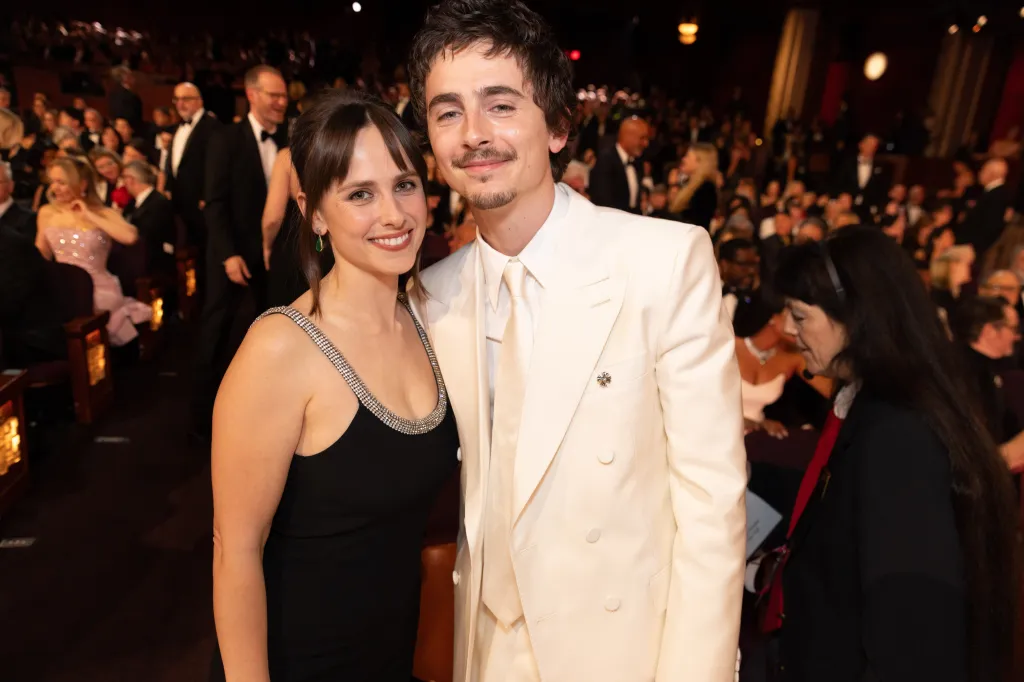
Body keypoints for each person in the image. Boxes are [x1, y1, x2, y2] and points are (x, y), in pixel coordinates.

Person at [408, 2, 748, 681]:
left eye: (500, 105)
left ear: (559, 125)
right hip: (482, 649)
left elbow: (712, 506)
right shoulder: (431, 295)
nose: (473, 134)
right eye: (448, 113)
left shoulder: (663, 262)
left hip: (618, 653)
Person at [210, 90, 459, 681]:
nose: (394, 215)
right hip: (300, 662)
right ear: (314, 212)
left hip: (393, 653)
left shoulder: (429, 321)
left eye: (404, 185)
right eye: (360, 194)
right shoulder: (280, 348)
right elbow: (234, 550)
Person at [757, 227, 1018, 682]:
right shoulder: (873, 406)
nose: (787, 329)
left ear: (856, 317)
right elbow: (842, 511)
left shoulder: (898, 434)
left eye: (800, 316)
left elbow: (911, 629)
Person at [193, 66, 287, 439]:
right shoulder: (225, 139)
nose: (281, 102)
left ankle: (266, 418)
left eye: (284, 95)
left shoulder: (292, 137)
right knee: (217, 331)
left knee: (274, 332)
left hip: (277, 255)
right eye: (274, 95)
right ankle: (204, 422)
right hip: (232, 251)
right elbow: (214, 203)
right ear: (251, 95)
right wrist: (228, 254)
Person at [35, 157, 151, 346]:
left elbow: (130, 237)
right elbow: (42, 254)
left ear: (82, 184)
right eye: (53, 182)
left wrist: (88, 215)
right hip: (62, 286)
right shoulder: (47, 213)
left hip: (98, 289)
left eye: (62, 182)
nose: (55, 188)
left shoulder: (103, 213)